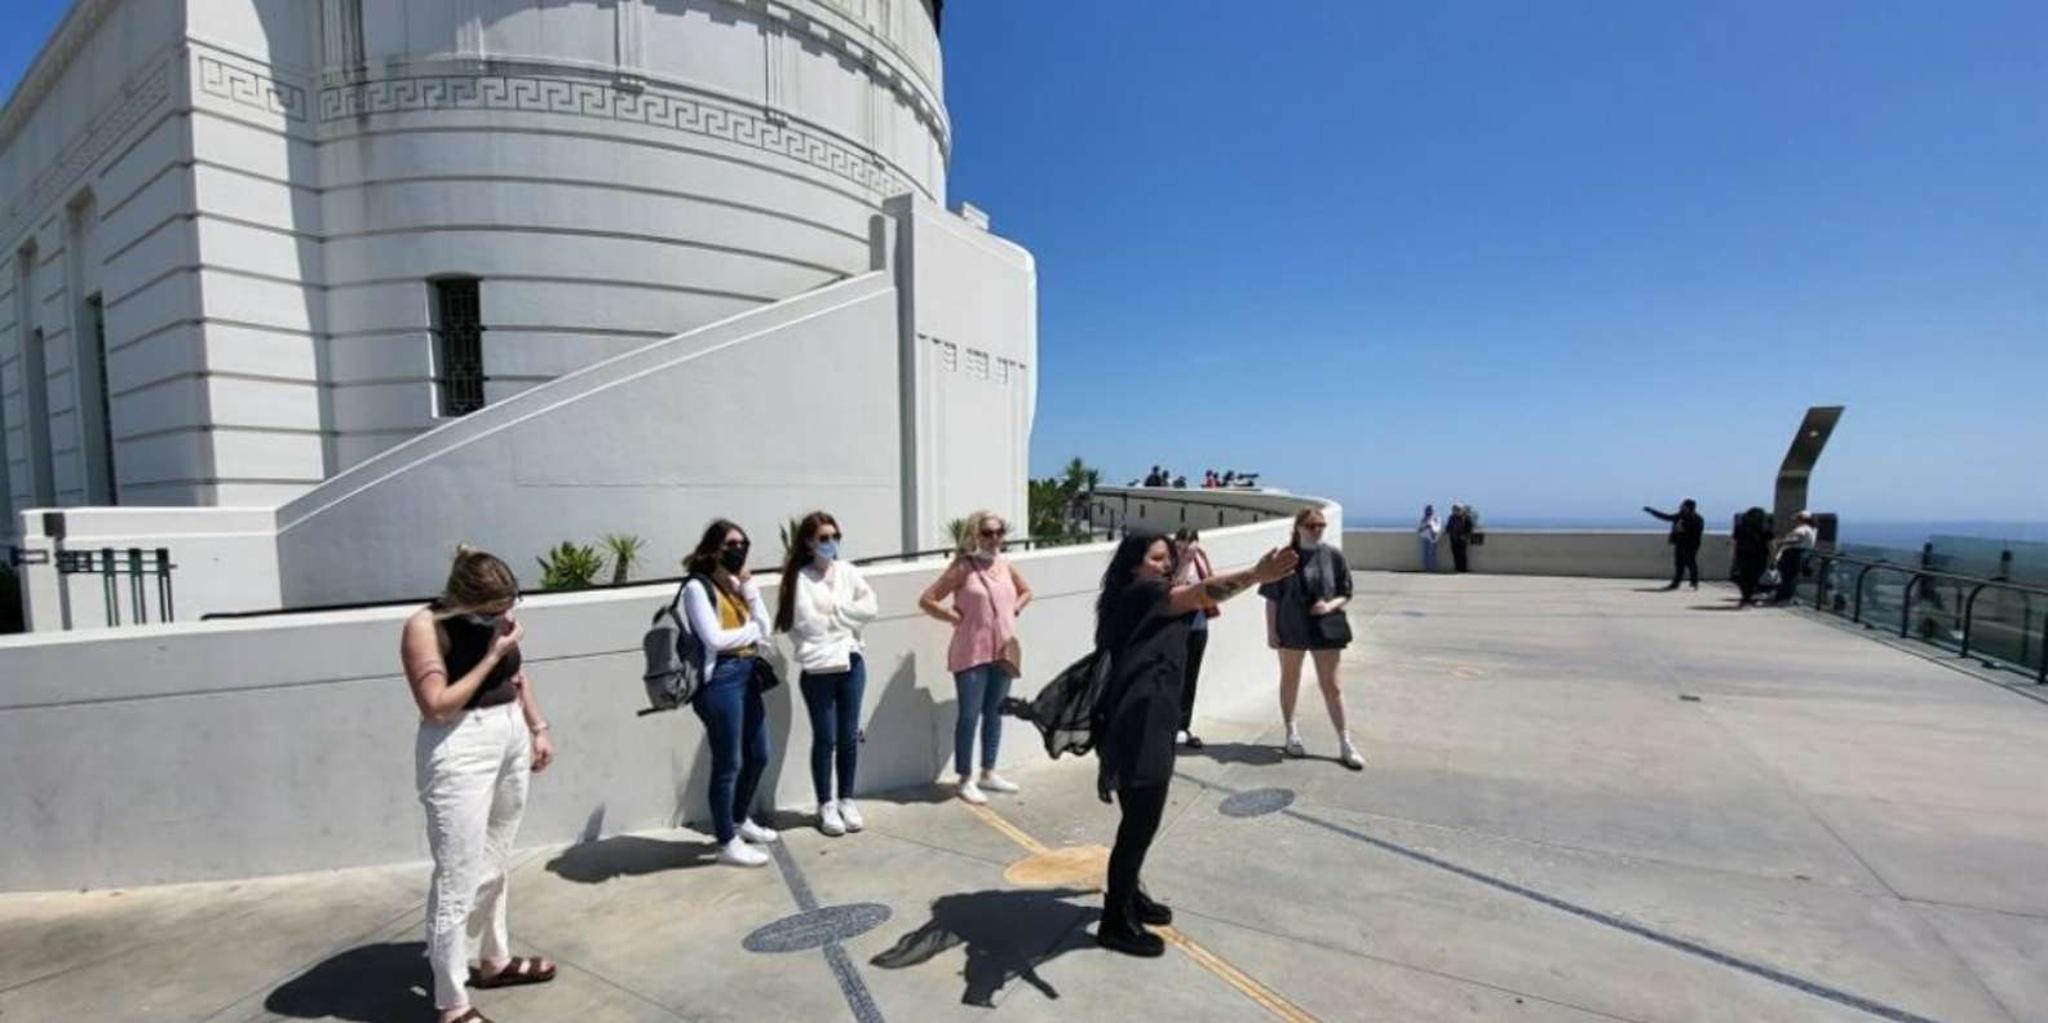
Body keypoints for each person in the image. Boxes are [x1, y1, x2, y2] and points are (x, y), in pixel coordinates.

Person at [1093, 532, 1299, 956]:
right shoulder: (1144, 593)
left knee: (1138, 818)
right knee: (1140, 823)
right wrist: (1256, 575)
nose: (1165, 565)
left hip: (1147, 716)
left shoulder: (1132, 595)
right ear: (1133, 565)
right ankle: (1115, 921)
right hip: (1140, 722)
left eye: (1168, 558)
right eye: (1156, 558)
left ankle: (1130, 895)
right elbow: (1201, 593)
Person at [399, 546, 558, 1023]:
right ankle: (452, 1002)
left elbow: (518, 676)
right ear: (465, 600)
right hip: (459, 744)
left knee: (495, 856)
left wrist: (537, 727)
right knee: (457, 875)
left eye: (509, 605)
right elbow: (436, 705)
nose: (502, 616)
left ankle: (494, 959)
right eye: (493, 610)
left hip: (508, 732)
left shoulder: (498, 617)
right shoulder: (425, 626)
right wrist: (493, 655)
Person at [681, 519, 780, 867]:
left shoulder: (737, 585)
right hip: (719, 680)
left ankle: (738, 819)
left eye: (743, 544)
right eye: (731, 545)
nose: (738, 550)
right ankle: (726, 841)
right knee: (728, 763)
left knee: (759, 754)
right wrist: (752, 632)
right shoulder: (697, 588)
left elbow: (766, 627)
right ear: (713, 549)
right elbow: (714, 639)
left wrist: (750, 587)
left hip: (747, 674)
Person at [920, 510, 1034, 804]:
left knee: (995, 713)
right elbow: (928, 599)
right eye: (987, 532)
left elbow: (1026, 591)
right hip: (971, 651)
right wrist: (951, 617)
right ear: (976, 535)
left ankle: (988, 771)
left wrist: (1014, 609)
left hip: (1003, 650)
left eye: (999, 532)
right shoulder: (963, 567)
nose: (994, 538)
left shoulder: (1005, 565)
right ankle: (964, 778)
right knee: (969, 715)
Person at [777, 511, 879, 837]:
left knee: (848, 738)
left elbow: (871, 607)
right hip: (818, 668)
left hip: (851, 662)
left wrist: (834, 613)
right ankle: (826, 803)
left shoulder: (847, 571)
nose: (831, 542)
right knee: (825, 739)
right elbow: (808, 624)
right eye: (824, 537)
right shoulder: (800, 579)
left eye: (835, 536)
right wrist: (847, 618)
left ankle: (847, 798)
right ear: (809, 542)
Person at [1262, 508, 1364, 769]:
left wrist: (1329, 606)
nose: (1317, 530)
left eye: (1321, 525)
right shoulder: (1285, 558)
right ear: (1298, 527)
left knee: (1332, 686)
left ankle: (1345, 742)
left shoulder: (1333, 556)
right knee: (1290, 680)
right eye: (1311, 525)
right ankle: (1291, 732)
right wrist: (1271, 632)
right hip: (1291, 628)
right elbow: (1272, 599)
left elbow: (1345, 592)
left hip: (1325, 629)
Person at [1171, 528, 1216, 749]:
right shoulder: (1172, 562)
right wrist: (1184, 562)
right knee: (1174, 677)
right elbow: (1175, 588)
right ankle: (1169, 726)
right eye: (1179, 547)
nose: (1183, 552)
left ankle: (1183, 726)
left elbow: (1212, 585)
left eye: (1187, 547)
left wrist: (1200, 559)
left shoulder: (1200, 558)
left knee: (1190, 677)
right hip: (1176, 627)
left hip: (1198, 625)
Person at [1644, 499, 1705, 590]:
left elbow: (1697, 532)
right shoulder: (1680, 516)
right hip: (1680, 543)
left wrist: (1684, 530)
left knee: (1691, 563)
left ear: (1688, 507)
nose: (1681, 507)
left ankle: (1694, 582)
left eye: (1683, 506)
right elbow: (1666, 517)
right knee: (1679, 564)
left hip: (1691, 545)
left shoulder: (1697, 518)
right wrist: (1652, 511)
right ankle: (1676, 583)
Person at [1768, 511, 1819, 605]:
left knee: (1786, 576)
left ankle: (1783, 598)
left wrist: (1779, 542)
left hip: (1792, 554)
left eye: (1797, 519)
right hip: (1802, 554)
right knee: (1791, 577)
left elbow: (1796, 539)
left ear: (1802, 519)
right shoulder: (1813, 530)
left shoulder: (1802, 529)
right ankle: (1785, 597)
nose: (1795, 521)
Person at [1732, 507, 1772, 606]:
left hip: (1743, 555)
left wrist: (1734, 556)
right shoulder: (1765, 528)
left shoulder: (1740, 527)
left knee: (1742, 576)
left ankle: (1746, 596)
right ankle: (1749, 597)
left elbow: (1735, 543)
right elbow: (1770, 544)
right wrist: (1772, 557)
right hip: (1760, 556)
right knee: (1754, 577)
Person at [1445, 503, 1473, 573]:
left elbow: (1469, 528)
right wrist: (1449, 530)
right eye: (1454, 509)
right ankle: (1457, 568)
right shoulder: (1451, 518)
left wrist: (1465, 536)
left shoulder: (1466, 517)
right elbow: (1448, 527)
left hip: (1462, 539)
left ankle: (1463, 569)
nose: (1455, 511)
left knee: (1462, 554)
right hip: (1453, 538)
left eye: (1457, 509)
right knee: (1455, 554)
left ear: (1461, 510)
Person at [1417, 504, 1442, 572]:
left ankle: (1432, 568)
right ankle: (1427, 568)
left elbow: (1438, 528)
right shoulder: (1423, 519)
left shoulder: (1436, 518)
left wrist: (1431, 528)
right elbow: (1419, 529)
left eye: (1430, 510)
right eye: (1427, 510)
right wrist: (1426, 526)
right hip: (1425, 537)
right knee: (1425, 553)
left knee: (1432, 553)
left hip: (1433, 538)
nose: (1428, 511)